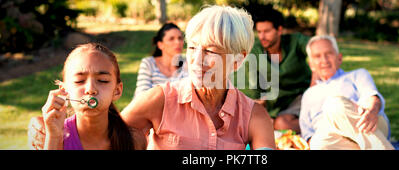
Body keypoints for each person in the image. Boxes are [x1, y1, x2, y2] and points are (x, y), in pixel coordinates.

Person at [30, 5, 275, 150]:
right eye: (192, 48)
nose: (196, 60)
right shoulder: (160, 100)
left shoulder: (255, 116)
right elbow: (111, 139)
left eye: (210, 51)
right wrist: (54, 133)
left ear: (238, 59)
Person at [36, 43, 147, 150]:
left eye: (102, 81)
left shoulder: (134, 140)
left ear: (117, 91)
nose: (90, 89)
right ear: (64, 90)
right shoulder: (46, 137)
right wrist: (54, 137)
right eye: (79, 81)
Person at [299, 35, 394, 150]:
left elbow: (372, 98)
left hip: (369, 124)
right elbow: (307, 133)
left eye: (328, 53)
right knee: (318, 144)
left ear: (339, 58)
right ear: (311, 65)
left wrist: (371, 111)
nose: (324, 60)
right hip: (335, 138)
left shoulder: (358, 74)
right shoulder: (308, 94)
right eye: (317, 56)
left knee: (334, 104)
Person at [233, 7, 313, 133]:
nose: (262, 36)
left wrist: (314, 81)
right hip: (277, 104)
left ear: (279, 30)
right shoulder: (255, 52)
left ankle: (317, 125)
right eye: (259, 32)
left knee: (280, 124)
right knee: (273, 123)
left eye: (267, 31)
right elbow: (254, 92)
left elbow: (315, 47)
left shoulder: (295, 41)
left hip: (301, 96)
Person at [134, 23, 188, 97]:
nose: (177, 42)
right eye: (171, 39)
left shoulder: (187, 64)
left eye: (180, 38)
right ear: (160, 45)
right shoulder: (149, 63)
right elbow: (141, 95)